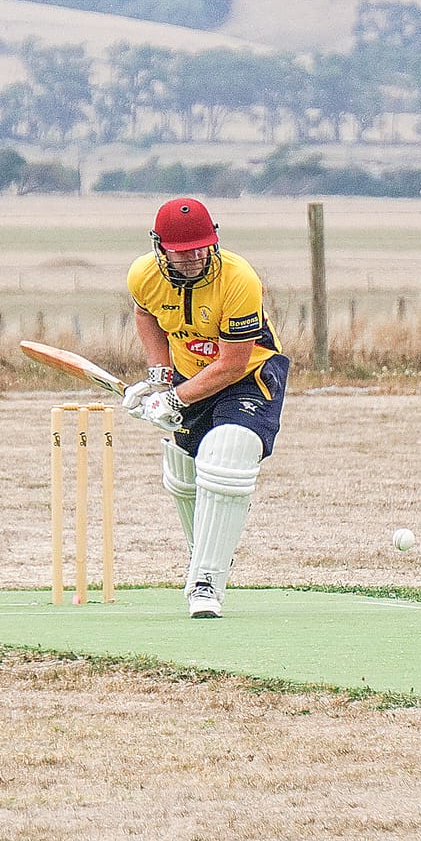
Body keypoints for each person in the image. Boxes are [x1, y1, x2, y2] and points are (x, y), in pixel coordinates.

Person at [122, 198, 291, 619]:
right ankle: (206, 556)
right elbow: (146, 315)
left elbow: (232, 363)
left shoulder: (239, 279)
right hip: (189, 371)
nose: (196, 256)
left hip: (249, 375)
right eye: (184, 250)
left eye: (203, 245)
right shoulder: (143, 275)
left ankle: (206, 580)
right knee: (182, 474)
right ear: (161, 248)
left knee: (228, 451)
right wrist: (160, 378)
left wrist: (175, 399)